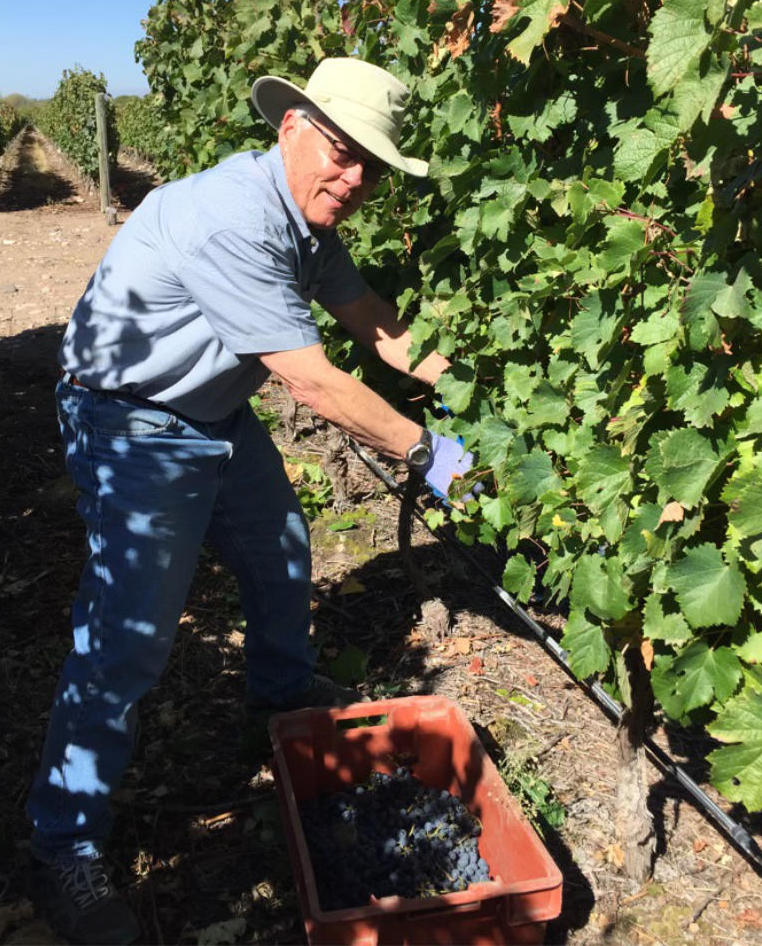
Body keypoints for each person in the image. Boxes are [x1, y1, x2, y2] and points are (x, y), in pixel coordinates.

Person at [26, 57, 474, 945]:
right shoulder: (231, 216)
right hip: (132, 420)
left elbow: (377, 327)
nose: (352, 181)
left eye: (370, 168)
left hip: (213, 412)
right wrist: (429, 454)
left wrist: (481, 400)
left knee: (280, 553)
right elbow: (312, 383)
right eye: (341, 154)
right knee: (129, 639)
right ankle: (61, 846)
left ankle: (276, 692)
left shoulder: (309, 224)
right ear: (290, 128)